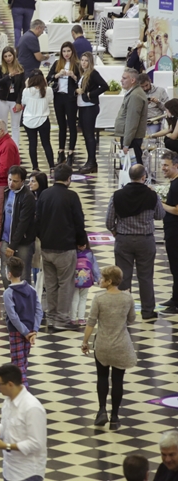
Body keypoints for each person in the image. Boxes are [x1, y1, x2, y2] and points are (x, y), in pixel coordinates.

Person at [81, 266, 136, 430]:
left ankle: (102, 410)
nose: (100, 280)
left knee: (102, 378)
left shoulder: (99, 299)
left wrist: (85, 342)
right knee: (118, 381)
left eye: (102, 278)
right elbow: (131, 319)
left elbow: (91, 322)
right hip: (121, 345)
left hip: (103, 345)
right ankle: (115, 417)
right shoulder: (128, 298)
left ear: (109, 281)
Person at [106, 163, 163, 321]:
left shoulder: (117, 195)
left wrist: (115, 232)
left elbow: (109, 221)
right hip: (146, 240)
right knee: (145, 276)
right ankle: (148, 311)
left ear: (130, 176)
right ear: (144, 177)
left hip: (124, 239)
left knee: (123, 277)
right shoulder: (152, 195)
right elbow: (160, 215)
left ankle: (124, 311)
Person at [37, 164, 87, 331]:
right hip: (65, 247)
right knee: (65, 283)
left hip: (47, 247)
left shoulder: (44, 194)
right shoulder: (72, 196)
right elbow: (79, 222)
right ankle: (61, 318)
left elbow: (37, 219)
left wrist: (42, 237)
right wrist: (82, 241)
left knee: (50, 284)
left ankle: (50, 318)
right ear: (69, 179)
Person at [0, 364, 47, 481]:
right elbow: (6, 426)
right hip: (9, 471)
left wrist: (6, 446)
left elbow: (36, 443)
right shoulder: (8, 401)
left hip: (28, 473)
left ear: (10, 384)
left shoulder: (32, 408)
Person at [3, 256, 42, 388]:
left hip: (17, 332)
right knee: (23, 362)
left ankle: (23, 395)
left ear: (9, 274)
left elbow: (13, 316)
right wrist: (34, 330)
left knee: (18, 366)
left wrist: (24, 332)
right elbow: (39, 311)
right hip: (30, 331)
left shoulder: (8, 293)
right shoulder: (31, 289)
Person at [0, 165, 36, 287]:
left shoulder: (28, 196)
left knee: (23, 275)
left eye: (15, 181)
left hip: (23, 242)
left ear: (22, 181)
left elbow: (23, 223)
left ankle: (25, 304)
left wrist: (13, 246)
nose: (11, 183)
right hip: (6, 238)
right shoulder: (6, 192)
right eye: (9, 179)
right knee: (5, 273)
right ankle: (10, 299)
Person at [46, 42, 80, 167]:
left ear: (72, 52)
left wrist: (74, 76)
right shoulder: (57, 63)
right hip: (58, 97)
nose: (66, 54)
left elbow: (82, 81)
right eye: (64, 51)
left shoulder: (76, 65)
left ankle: (71, 152)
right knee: (61, 125)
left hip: (70, 98)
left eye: (68, 51)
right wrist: (57, 75)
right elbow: (48, 78)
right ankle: (61, 152)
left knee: (71, 125)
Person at [75, 51, 108, 173]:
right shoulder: (83, 74)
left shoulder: (93, 73)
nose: (83, 63)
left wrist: (90, 94)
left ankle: (92, 162)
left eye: (86, 60)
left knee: (89, 135)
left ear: (90, 62)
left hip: (89, 106)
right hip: (82, 106)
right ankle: (90, 161)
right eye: (82, 60)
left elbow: (105, 86)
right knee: (85, 134)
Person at [21, 70, 55, 171]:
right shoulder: (48, 90)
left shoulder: (26, 91)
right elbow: (50, 100)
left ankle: (35, 167)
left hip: (29, 120)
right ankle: (52, 166)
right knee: (46, 143)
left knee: (32, 144)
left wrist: (27, 86)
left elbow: (23, 102)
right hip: (43, 119)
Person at [113, 69, 148, 166]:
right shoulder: (133, 92)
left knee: (132, 168)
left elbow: (132, 122)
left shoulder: (135, 96)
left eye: (124, 78)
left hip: (132, 138)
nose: (121, 80)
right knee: (128, 168)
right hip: (130, 137)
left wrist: (126, 143)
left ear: (132, 80)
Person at [0, 120, 21, 217]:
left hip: (3, 186)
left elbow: (4, 170)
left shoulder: (7, 145)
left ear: (1, 131)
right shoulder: (0, 143)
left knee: (1, 216)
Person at [160, 151, 178, 316]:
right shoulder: (173, 183)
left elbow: (177, 210)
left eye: (166, 165)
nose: (163, 168)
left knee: (176, 266)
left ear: (175, 165)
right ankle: (174, 298)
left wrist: (160, 203)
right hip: (171, 230)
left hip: (175, 233)